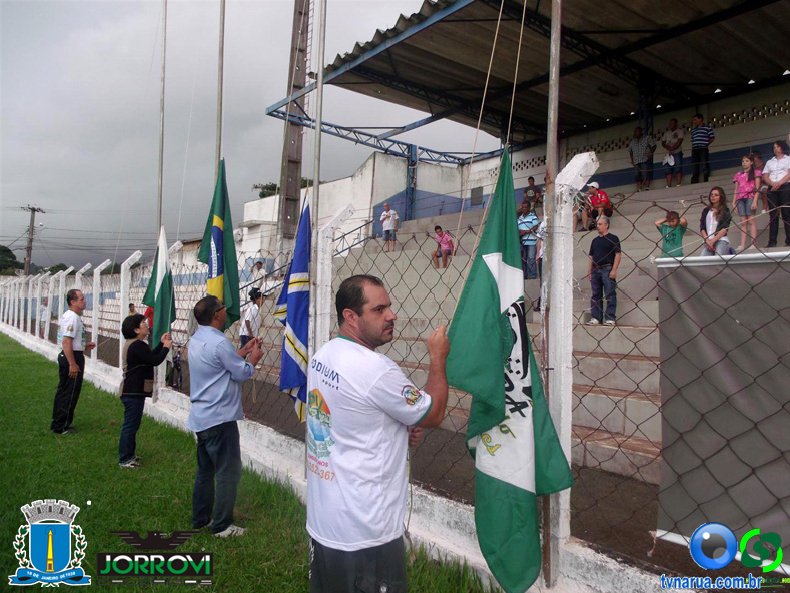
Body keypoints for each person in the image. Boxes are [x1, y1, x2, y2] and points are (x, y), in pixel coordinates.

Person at [306, 274, 450, 593]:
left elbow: (346, 417)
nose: (391, 315)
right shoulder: (376, 370)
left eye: (390, 307)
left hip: (326, 522)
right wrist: (438, 356)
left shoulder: (323, 356)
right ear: (350, 316)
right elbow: (434, 413)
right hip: (366, 533)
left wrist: (398, 429)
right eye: (379, 309)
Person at [187, 295, 263, 538]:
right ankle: (221, 525)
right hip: (220, 418)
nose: (225, 311)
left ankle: (200, 518)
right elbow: (240, 374)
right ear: (216, 315)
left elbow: (221, 364)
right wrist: (252, 360)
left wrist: (242, 350)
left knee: (205, 470)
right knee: (228, 471)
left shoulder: (197, 339)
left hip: (202, 416)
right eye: (221, 308)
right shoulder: (219, 343)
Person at [118, 314, 171, 468]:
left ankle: (129, 454)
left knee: (132, 424)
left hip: (132, 392)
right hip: (132, 392)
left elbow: (150, 356)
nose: (146, 325)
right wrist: (166, 347)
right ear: (136, 330)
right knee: (130, 425)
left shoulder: (136, 344)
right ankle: (125, 459)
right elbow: (155, 360)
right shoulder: (137, 345)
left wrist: (161, 345)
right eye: (143, 323)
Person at [50, 289, 96, 434]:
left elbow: (71, 341)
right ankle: (61, 426)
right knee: (69, 392)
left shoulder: (72, 316)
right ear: (73, 302)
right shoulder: (72, 318)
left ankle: (60, 423)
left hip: (73, 354)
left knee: (66, 391)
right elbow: (66, 341)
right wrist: (73, 363)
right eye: (81, 299)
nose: (84, 301)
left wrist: (83, 346)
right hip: (71, 358)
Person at [587, 217, 621, 326]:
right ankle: (596, 317)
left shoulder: (613, 238)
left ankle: (610, 318)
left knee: (610, 293)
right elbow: (591, 256)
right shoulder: (595, 240)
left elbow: (618, 254)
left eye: (600, 224)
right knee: (596, 294)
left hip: (607, 268)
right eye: (597, 224)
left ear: (606, 225)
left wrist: (614, 269)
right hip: (596, 269)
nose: (598, 226)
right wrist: (590, 271)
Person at [762, 140, 790, 248]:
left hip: (785, 187)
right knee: (773, 216)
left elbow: (789, 174)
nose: (775, 149)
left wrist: (779, 183)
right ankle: (772, 242)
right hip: (772, 188)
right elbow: (765, 176)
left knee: (786, 214)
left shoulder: (788, 159)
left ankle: (789, 241)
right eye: (774, 147)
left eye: (777, 146)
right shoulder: (770, 162)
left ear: (782, 147)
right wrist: (773, 184)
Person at [732, 154, 761, 251]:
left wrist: (755, 201)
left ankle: (753, 243)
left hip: (750, 198)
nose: (744, 163)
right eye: (743, 161)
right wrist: (733, 202)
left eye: (747, 161)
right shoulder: (738, 174)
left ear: (751, 162)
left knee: (751, 220)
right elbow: (736, 189)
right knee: (743, 222)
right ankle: (742, 245)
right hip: (740, 199)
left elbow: (757, 188)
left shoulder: (756, 172)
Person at [698, 186, 733, 256]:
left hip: (721, 239)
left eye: (716, 195)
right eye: (711, 194)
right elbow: (702, 228)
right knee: (703, 259)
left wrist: (713, 241)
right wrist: (708, 241)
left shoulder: (725, 210)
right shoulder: (706, 210)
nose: (713, 196)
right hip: (708, 241)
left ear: (721, 197)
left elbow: (724, 229)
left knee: (718, 257)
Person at [628, 126, 656, 191]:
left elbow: (654, 146)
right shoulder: (632, 141)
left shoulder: (647, 138)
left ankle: (647, 187)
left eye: (636, 131)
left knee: (645, 174)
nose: (635, 133)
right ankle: (639, 187)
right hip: (636, 161)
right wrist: (632, 160)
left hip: (645, 160)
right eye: (634, 132)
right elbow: (630, 151)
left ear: (641, 132)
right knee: (637, 175)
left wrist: (650, 153)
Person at [517, 202, 540, 279]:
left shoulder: (533, 216)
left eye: (525, 207)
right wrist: (521, 232)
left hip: (531, 241)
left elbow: (536, 226)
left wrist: (526, 231)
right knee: (523, 259)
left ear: (529, 207)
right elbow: (517, 229)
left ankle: (532, 275)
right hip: (522, 241)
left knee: (531, 258)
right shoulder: (519, 218)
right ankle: (525, 275)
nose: (524, 209)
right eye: (522, 207)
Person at [690, 114, 715, 184]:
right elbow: (692, 139)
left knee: (704, 163)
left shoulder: (707, 127)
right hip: (695, 148)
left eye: (695, 119)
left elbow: (712, 137)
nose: (693, 121)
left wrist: (706, 144)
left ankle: (706, 178)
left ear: (700, 119)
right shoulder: (693, 130)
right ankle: (694, 180)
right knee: (695, 165)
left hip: (703, 148)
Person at [661, 118, 684, 187]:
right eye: (670, 123)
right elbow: (663, 143)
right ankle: (668, 185)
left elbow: (679, 141)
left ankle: (678, 183)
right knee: (667, 170)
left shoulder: (680, 131)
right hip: (668, 154)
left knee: (678, 168)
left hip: (677, 152)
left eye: (672, 123)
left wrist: (672, 148)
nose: (670, 125)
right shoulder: (666, 133)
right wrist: (668, 148)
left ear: (676, 124)